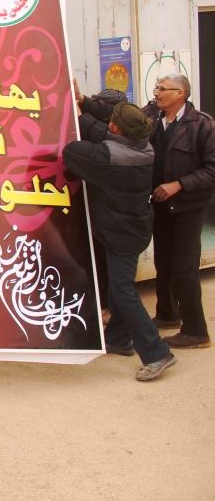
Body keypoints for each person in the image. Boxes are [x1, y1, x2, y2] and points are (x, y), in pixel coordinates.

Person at [64, 96, 176, 380]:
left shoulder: (110, 158)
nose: (108, 125)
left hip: (122, 233)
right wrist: (80, 104)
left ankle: (157, 353)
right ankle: (118, 338)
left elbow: (72, 151)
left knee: (124, 292)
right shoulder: (143, 146)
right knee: (118, 286)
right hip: (132, 228)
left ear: (115, 128)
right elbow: (103, 134)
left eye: (111, 122)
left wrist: (76, 117)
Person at [143, 74, 213, 349]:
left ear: (180, 93)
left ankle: (196, 331)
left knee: (185, 269)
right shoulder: (152, 119)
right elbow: (121, 118)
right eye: (156, 87)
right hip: (160, 205)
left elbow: (212, 170)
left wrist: (179, 184)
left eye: (162, 89)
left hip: (188, 208)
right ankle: (167, 315)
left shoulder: (202, 125)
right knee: (164, 263)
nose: (156, 92)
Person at [76, 86, 130, 320]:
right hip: (98, 210)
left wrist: (81, 108)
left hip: (116, 216)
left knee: (113, 267)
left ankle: (112, 311)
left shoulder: (123, 139)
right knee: (97, 257)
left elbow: (98, 138)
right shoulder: (100, 128)